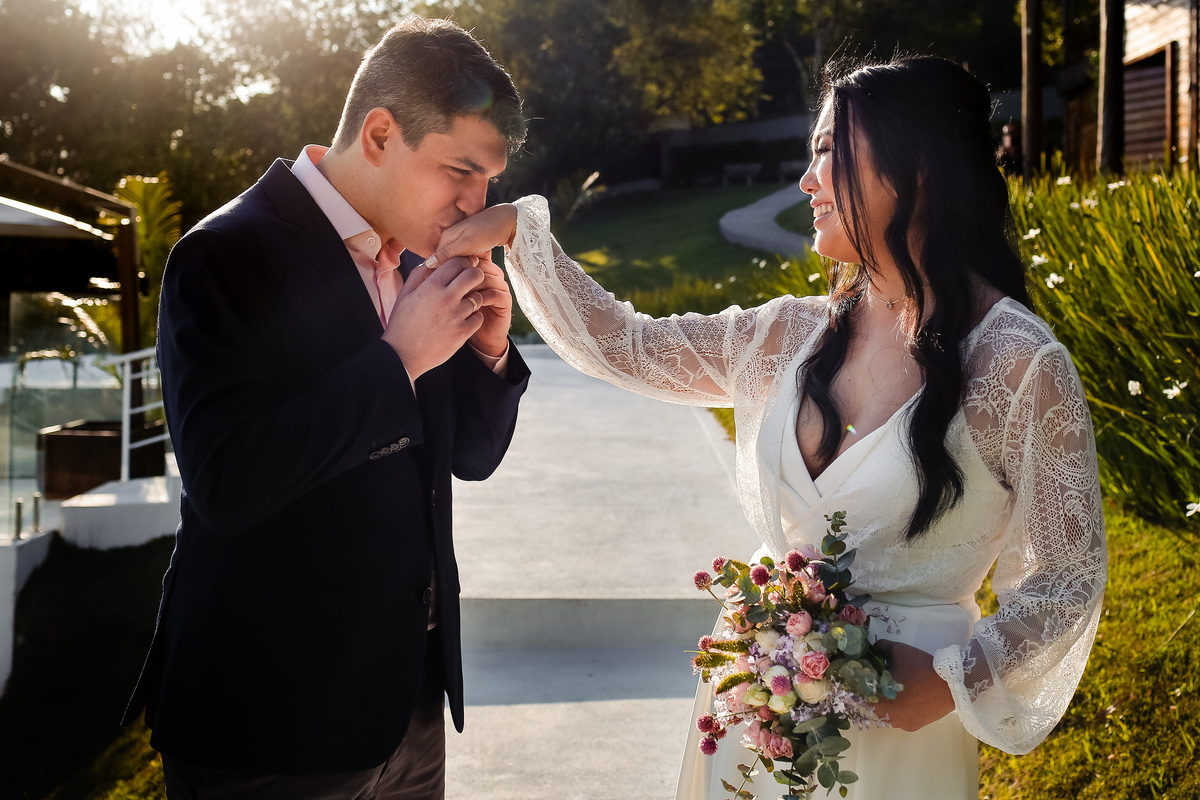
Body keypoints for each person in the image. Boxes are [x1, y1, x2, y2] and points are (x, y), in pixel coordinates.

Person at [422, 56, 1106, 799]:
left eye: (826, 152)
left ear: (918, 168)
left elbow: (1066, 577)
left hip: (898, 741)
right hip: (748, 719)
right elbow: (628, 344)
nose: (806, 181)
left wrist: (951, 682)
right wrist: (520, 236)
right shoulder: (789, 336)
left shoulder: (1018, 365)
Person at [121, 16, 531, 799]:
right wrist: (400, 357)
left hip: (406, 707)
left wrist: (487, 350)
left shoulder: (419, 256)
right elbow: (229, 482)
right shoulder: (222, 255)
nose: (475, 206)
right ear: (380, 134)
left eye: (488, 183)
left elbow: (470, 459)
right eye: (460, 172)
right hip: (268, 718)